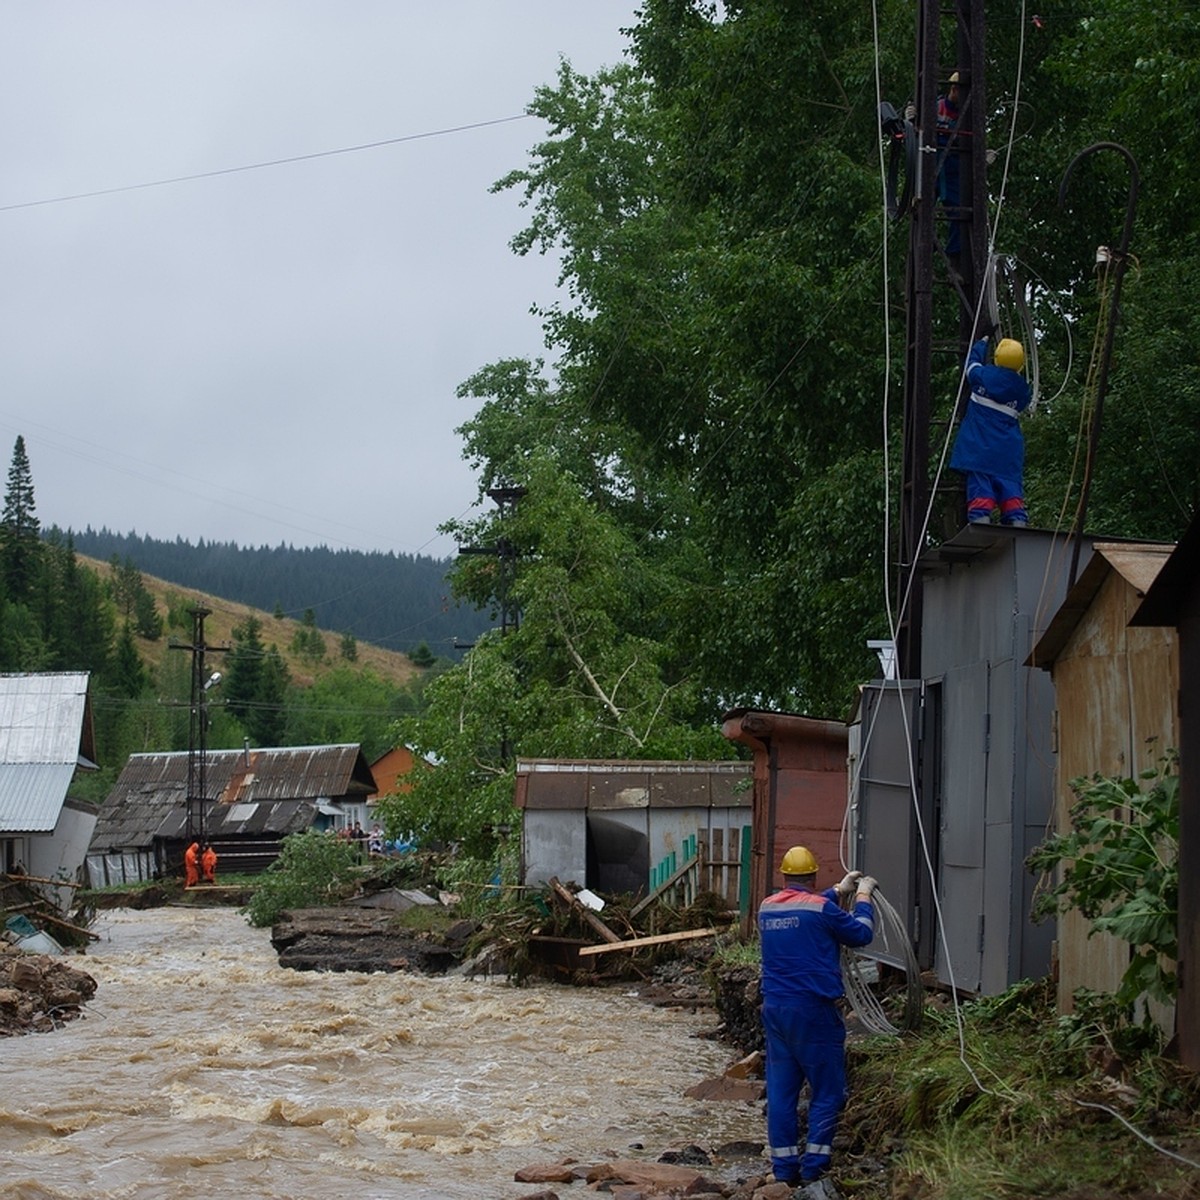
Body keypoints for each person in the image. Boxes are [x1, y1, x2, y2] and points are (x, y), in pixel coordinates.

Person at [758, 845, 876, 1190]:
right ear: (812, 876)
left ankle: (783, 1170)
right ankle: (814, 1167)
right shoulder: (822, 909)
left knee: (781, 1093)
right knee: (828, 1091)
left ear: (784, 876)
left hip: (775, 1010)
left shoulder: (767, 907)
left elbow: (805, 908)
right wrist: (864, 896)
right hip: (814, 1011)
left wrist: (839, 891)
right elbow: (861, 934)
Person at [950, 335, 1033, 526]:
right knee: (1011, 490)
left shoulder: (983, 377)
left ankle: (981, 520)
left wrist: (981, 344)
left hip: (978, 451)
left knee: (981, 490)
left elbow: (970, 365)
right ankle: (1017, 521)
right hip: (1007, 454)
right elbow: (1022, 404)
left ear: (997, 358)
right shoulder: (1022, 391)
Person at [937, 71, 964, 257]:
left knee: (960, 212)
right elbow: (915, 132)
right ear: (953, 90)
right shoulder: (935, 106)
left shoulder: (967, 115)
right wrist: (911, 119)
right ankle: (927, 246)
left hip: (953, 167)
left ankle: (954, 256)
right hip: (932, 162)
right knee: (922, 209)